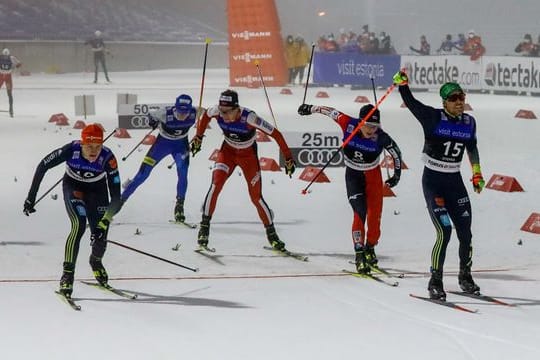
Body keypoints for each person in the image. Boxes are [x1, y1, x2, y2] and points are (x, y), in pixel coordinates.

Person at [393, 71, 485, 301]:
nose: (459, 103)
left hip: (455, 182)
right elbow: (412, 104)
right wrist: (403, 85)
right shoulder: (432, 117)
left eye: (462, 98)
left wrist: (476, 173)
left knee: (466, 234)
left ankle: (465, 276)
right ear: (444, 101)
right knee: (444, 231)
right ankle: (435, 280)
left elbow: (471, 147)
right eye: (454, 99)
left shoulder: (469, 122)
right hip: (433, 182)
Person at [297, 103, 402, 273]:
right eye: (367, 125)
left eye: (375, 126)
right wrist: (310, 108)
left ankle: (370, 247)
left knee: (374, 220)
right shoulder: (348, 123)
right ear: (360, 122)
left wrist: (396, 176)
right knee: (359, 212)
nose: (370, 130)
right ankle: (359, 254)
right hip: (353, 176)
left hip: (373, 177)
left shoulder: (381, 137)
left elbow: (397, 154)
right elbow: (330, 111)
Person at [23, 124, 122, 298]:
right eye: (89, 146)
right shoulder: (71, 149)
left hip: (97, 191)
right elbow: (42, 165)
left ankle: (96, 262)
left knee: (101, 233)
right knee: (79, 225)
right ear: (82, 143)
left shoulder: (108, 158)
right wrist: (31, 197)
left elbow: (116, 197)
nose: (94, 151)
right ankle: (67, 275)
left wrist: (104, 222)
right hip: (73, 187)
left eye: (97, 147)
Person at [190, 89, 296, 251]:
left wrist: (288, 158)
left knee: (256, 197)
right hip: (227, 153)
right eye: (221, 111)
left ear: (236, 108)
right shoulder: (216, 111)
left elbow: (277, 134)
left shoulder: (250, 118)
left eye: (227, 112)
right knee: (215, 186)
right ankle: (204, 229)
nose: (223, 115)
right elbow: (205, 118)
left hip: (248, 157)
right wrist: (198, 137)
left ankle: (272, 235)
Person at [121, 94, 197, 223]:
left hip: (180, 146)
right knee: (142, 175)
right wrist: (152, 121)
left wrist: (199, 137)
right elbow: (150, 115)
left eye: (186, 112)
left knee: (183, 173)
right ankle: (120, 200)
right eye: (180, 111)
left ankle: (179, 206)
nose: (183, 115)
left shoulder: (194, 112)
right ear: (175, 107)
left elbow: (208, 115)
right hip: (161, 145)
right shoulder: (165, 113)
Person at [0, 48, 22, 117]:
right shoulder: (12, 58)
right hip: (6, 77)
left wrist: (15, 67)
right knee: (9, 93)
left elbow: (19, 64)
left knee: (9, 93)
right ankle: (11, 109)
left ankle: (11, 109)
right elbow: (19, 64)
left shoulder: (5, 57)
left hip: (3, 76)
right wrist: (14, 67)